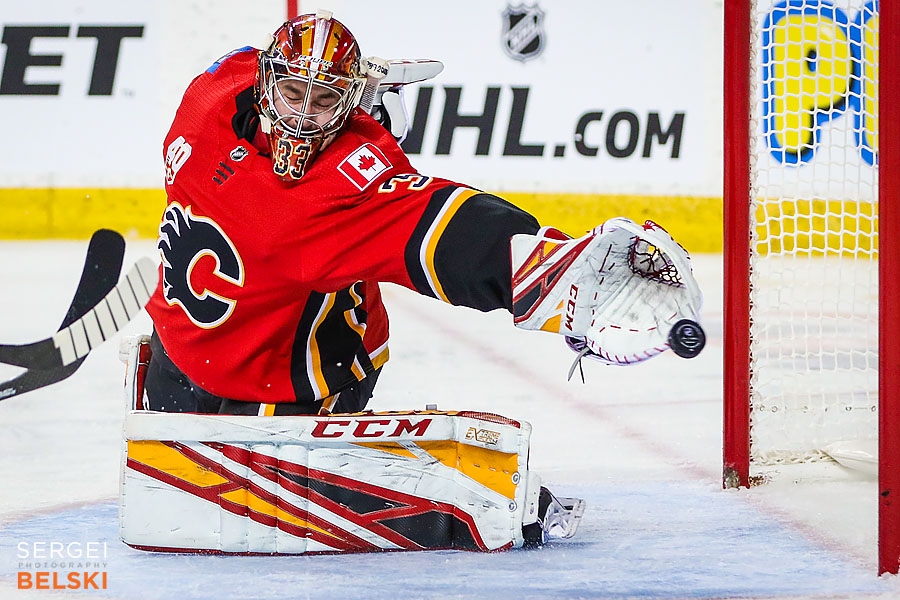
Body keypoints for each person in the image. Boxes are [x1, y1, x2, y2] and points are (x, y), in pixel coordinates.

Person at [143, 11, 702, 417]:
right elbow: (448, 233)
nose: (304, 117)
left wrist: (554, 269)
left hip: (234, 371)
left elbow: (450, 231)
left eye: (325, 99)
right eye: (295, 93)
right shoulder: (324, 201)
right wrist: (562, 275)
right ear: (268, 81)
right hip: (234, 373)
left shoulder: (209, 98)